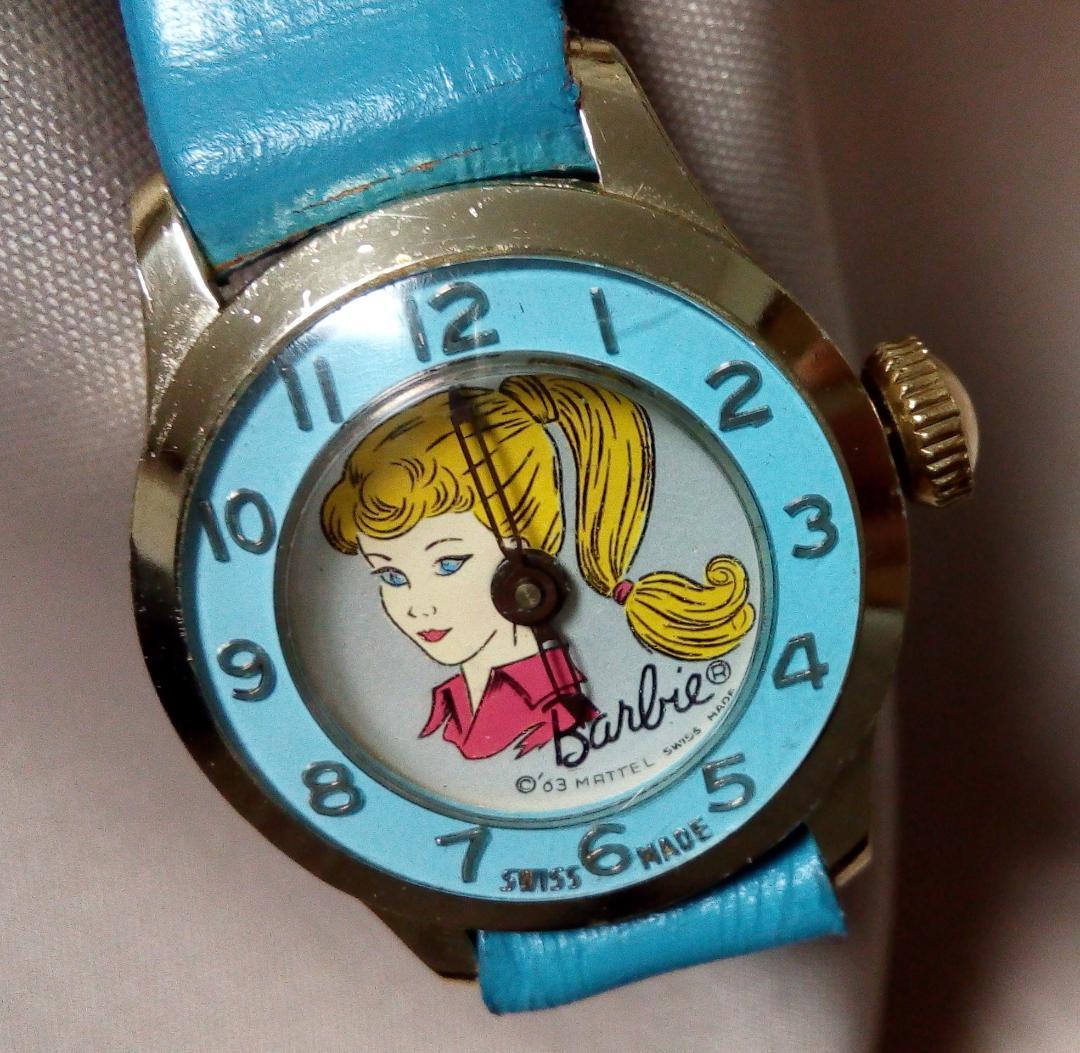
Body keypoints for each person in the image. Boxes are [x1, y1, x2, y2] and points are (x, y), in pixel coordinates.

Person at [320, 374, 754, 761]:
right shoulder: (444, 707)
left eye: (448, 564)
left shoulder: (556, 715)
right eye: (392, 576)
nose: (417, 607)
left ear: (532, 550)